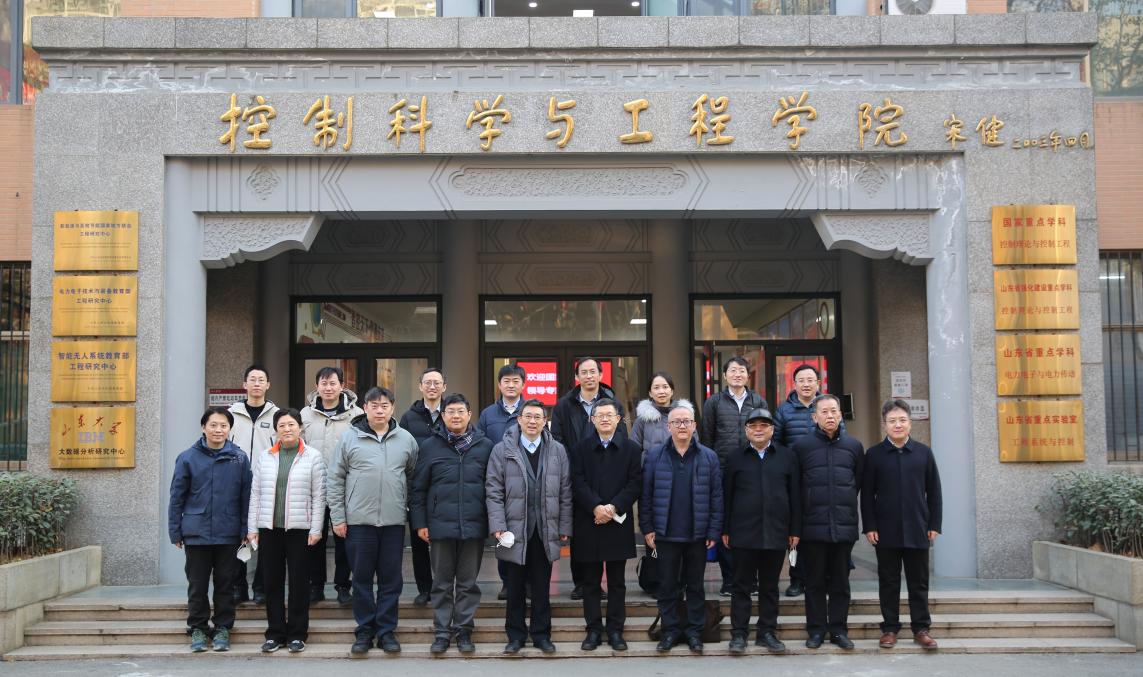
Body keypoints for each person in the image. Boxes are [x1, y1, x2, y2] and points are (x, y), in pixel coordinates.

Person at [328, 387, 419, 655]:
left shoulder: (406, 439)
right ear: (365, 408)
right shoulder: (349, 437)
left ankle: (386, 631)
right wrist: (338, 517)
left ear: (393, 408)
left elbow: (412, 476)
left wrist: (405, 507)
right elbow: (335, 479)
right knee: (362, 579)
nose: (380, 410)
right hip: (359, 522)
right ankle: (365, 630)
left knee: (391, 580)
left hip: (393, 523)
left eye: (385, 405)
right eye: (374, 405)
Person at [409, 394, 495, 655]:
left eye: (460, 411)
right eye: (450, 412)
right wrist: (420, 523)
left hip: (473, 524)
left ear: (470, 414)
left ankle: (464, 630)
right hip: (440, 525)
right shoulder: (430, 446)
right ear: (443, 416)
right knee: (442, 583)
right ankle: (442, 632)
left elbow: (494, 488)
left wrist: (493, 522)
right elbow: (418, 489)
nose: (456, 416)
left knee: (468, 583)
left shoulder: (485, 446)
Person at [485, 399, 572, 655]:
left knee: (542, 586)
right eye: (528, 416)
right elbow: (493, 490)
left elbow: (565, 491)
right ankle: (515, 636)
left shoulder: (557, 450)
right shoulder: (502, 450)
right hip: (513, 530)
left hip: (546, 528)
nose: (532, 421)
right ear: (519, 420)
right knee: (514, 586)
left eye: (538, 417)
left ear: (545, 421)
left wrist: (564, 526)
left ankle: (542, 635)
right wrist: (498, 525)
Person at [640, 402, 723, 654]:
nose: (682, 426)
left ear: (694, 425)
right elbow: (646, 495)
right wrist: (647, 527)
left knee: (695, 585)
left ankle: (695, 631)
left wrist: (714, 530)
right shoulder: (655, 456)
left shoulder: (708, 456)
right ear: (669, 427)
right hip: (665, 534)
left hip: (697, 535)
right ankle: (670, 630)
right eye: (676, 422)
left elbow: (716, 497)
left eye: (687, 421)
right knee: (667, 586)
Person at [168, 407, 251, 653]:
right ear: (203, 427)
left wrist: (246, 529)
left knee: (226, 584)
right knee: (197, 584)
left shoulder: (239, 458)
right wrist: (175, 531)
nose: (218, 430)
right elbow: (177, 497)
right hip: (197, 532)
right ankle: (198, 628)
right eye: (213, 425)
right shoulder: (187, 458)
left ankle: (223, 628)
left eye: (223, 426)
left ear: (229, 429)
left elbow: (246, 497)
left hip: (228, 532)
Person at [862, 399, 943, 651]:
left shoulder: (923, 452)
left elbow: (934, 491)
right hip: (885, 529)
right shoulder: (874, 454)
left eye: (902, 420)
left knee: (919, 582)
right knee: (888, 581)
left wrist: (934, 523)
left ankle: (921, 628)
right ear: (885, 424)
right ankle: (889, 628)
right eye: (892, 421)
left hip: (918, 526)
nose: (897, 425)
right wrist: (870, 526)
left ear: (910, 423)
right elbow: (867, 495)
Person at [247, 408, 326, 654]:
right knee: (272, 582)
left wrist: (316, 528)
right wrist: (252, 527)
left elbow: (319, 496)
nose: (287, 429)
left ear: (300, 427)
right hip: (270, 528)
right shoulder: (266, 457)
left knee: (299, 583)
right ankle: (275, 633)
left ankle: (297, 634)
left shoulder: (312, 456)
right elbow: (256, 494)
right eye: (282, 425)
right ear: (276, 430)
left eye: (291, 424)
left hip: (300, 529)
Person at [722, 408, 800, 654]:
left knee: (769, 586)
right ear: (746, 430)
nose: (758, 429)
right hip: (743, 532)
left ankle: (767, 632)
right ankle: (739, 634)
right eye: (753, 425)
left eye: (763, 425)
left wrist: (795, 529)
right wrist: (725, 528)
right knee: (741, 586)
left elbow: (795, 496)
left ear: (772, 430)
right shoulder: (735, 458)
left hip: (776, 532)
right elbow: (727, 496)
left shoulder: (787, 457)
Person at [569, 398, 642, 652]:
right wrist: (596, 507)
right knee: (590, 581)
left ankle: (615, 630)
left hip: (617, 522)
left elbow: (635, 483)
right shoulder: (580, 449)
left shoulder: (632, 449)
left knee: (617, 582)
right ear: (592, 420)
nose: (604, 419)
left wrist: (612, 508)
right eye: (599, 415)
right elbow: (576, 482)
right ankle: (593, 630)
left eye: (609, 415)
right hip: (588, 521)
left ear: (618, 419)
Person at [551, 357, 627, 600]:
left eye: (593, 371)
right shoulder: (564, 405)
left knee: (607, 529)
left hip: (607, 475)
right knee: (581, 532)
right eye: (583, 372)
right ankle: (581, 583)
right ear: (577, 377)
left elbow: (622, 438)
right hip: (576, 475)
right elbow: (557, 439)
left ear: (601, 374)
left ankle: (604, 581)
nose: (589, 376)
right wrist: (572, 465)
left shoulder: (613, 404)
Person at [796, 393, 864, 650]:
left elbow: (857, 483)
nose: (830, 416)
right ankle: (816, 631)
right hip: (812, 526)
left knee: (840, 583)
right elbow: (796, 488)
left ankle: (838, 630)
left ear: (840, 415)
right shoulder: (802, 447)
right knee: (813, 582)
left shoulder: (854, 446)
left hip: (843, 525)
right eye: (824, 412)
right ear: (814, 417)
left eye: (834, 411)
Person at [700, 356, 767, 597]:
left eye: (742, 371)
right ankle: (729, 579)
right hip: (723, 470)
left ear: (748, 375)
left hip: (753, 470)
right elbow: (706, 437)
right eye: (733, 370)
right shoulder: (714, 402)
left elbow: (765, 433)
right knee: (725, 524)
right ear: (725, 375)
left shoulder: (758, 401)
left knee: (753, 522)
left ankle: (753, 579)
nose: (737, 374)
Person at [300, 365, 362, 606]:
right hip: (312, 487)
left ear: (342, 386)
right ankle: (315, 585)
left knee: (344, 538)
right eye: (324, 383)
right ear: (316, 386)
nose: (328, 388)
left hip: (345, 487)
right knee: (314, 538)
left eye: (333, 383)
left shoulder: (356, 415)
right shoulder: (305, 415)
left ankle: (343, 585)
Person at [773, 364, 830, 597]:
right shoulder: (784, 411)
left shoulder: (827, 407)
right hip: (794, 479)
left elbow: (840, 437)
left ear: (818, 383)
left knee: (821, 531)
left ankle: (822, 577)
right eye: (801, 380)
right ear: (794, 384)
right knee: (795, 531)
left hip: (822, 479)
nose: (806, 384)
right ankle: (797, 578)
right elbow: (776, 444)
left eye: (810, 380)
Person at [227, 364, 279, 605]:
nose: (257, 383)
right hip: (235, 482)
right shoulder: (230, 414)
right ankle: (238, 586)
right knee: (237, 534)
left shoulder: (277, 415)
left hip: (267, 483)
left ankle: (261, 587)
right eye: (252, 379)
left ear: (268, 385)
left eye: (261, 380)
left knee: (266, 537)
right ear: (244, 384)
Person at [476, 363, 527, 600]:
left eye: (516, 381)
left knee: (528, 533)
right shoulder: (488, 414)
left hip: (527, 480)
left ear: (523, 384)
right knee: (503, 533)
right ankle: (507, 582)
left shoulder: (530, 409)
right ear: (499, 384)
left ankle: (527, 582)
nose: (511, 385)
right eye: (506, 381)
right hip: (500, 481)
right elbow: (481, 446)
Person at [399, 368, 447, 607]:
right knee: (419, 539)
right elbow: (402, 452)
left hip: (445, 486)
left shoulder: (452, 411)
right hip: (418, 485)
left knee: (445, 541)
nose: (432, 387)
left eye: (437, 383)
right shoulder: (409, 417)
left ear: (444, 387)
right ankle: (424, 588)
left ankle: (443, 586)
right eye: (428, 382)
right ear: (420, 387)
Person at [630, 371, 686, 457]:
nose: (661, 391)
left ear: (672, 391)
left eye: (665, 387)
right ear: (650, 393)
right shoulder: (642, 420)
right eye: (656, 388)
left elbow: (693, 445)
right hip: (650, 465)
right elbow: (634, 450)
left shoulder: (684, 416)